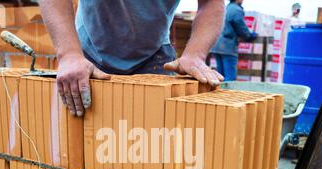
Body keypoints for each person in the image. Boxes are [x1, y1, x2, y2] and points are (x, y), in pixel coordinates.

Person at [40, 0, 226, 117]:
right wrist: (69, 54)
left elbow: (211, 3)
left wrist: (195, 54)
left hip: (155, 55)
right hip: (89, 53)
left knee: (151, 143)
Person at [211, 0, 257, 82]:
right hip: (227, 46)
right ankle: (228, 94)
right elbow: (240, 26)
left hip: (217, 44)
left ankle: (219, 93)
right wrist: (249, 36)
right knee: (230, 78)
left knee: (220, 76)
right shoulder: (236, 10)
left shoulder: (226, 7)